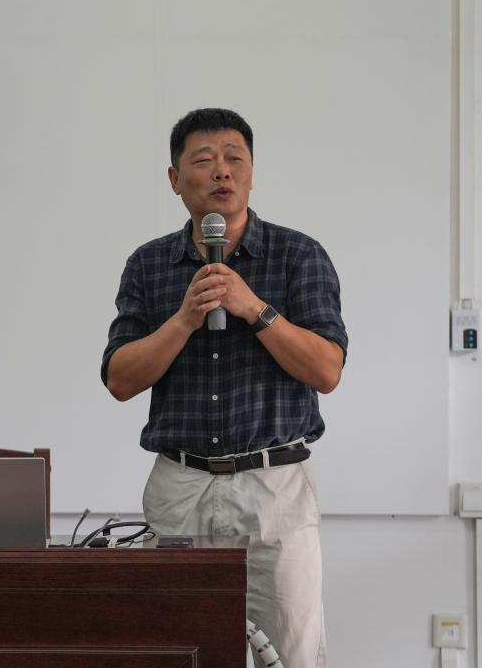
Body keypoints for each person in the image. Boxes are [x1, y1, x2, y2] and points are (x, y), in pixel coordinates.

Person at [101, 108, 347, 668]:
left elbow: (327, 369)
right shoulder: (150, 264)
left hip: (273, 489)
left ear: (252, 173)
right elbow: (120, 378)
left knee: (291, 653)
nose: (222, 171)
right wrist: (185, 318)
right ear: (174, 179)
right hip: (181, 486)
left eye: (235, 158)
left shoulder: (298, 254)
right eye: (204, 160)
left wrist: (254, 308)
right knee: (180, 650)